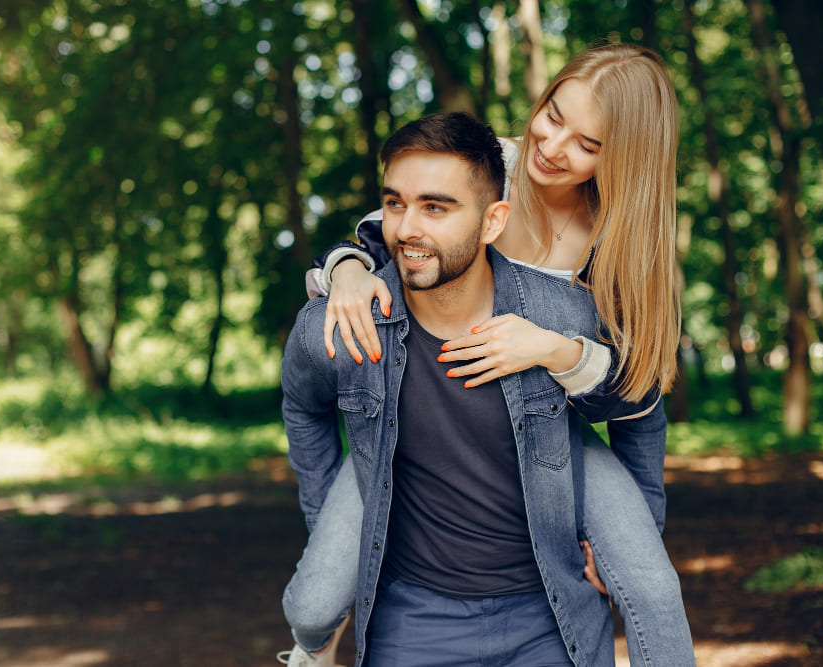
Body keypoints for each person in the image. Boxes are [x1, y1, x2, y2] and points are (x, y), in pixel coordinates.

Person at [281, 44, 695, 667]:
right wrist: (343, 268)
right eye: (552, 116)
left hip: (549, 426)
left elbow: (637, 400)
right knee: (314, 598)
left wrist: (556, 350)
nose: (553, 148)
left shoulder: (618, 241)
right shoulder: (489, 162)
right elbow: (392, 228)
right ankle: (318, 644)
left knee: (654, 587)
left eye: (588, 144)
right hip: (416, 399)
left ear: (626, 159)